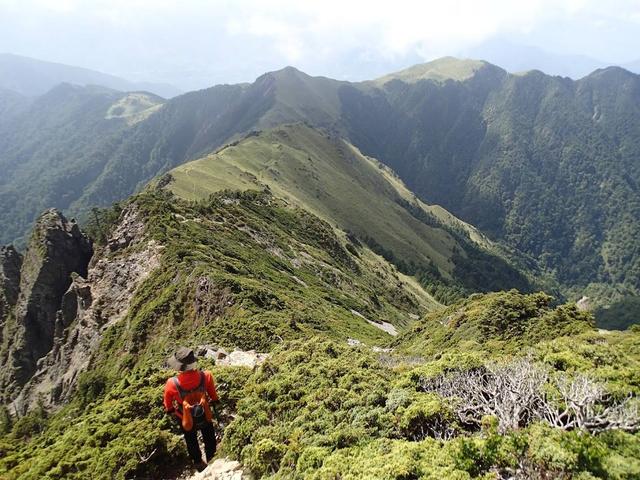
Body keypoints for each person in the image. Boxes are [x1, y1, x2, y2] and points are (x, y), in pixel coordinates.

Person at [163, 347, 221, 471]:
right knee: (209, 437)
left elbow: (168, 405)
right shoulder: (206, 376)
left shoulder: (171, 383)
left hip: (184, 416)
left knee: (191, 440)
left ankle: (198, 462)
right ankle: (212, 458)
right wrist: (215, 401)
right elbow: (213, 396)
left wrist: (171, 411)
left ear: (179, 366)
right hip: (204, 413)